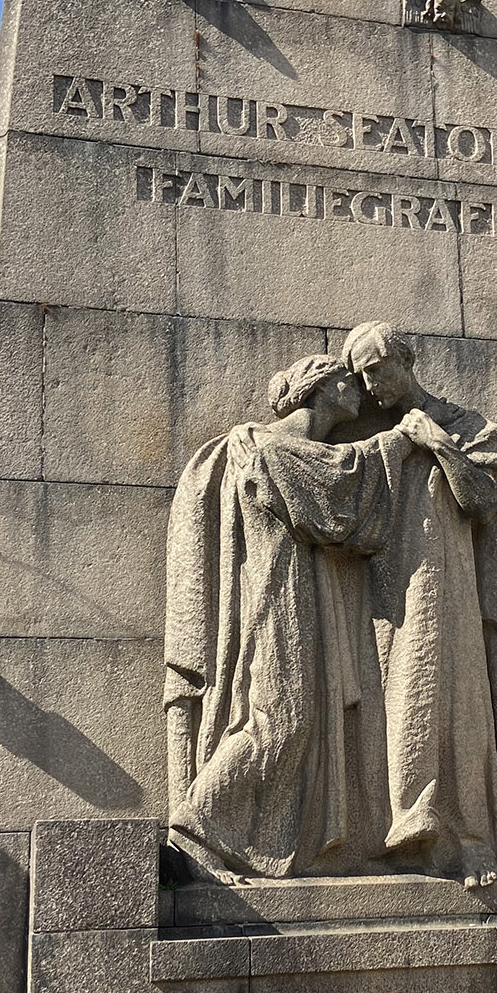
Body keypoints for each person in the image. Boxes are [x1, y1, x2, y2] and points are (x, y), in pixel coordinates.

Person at [163, 355, 416, 882]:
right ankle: (194, 831)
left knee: (291, 723)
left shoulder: (284, 447)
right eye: (349, 381)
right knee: (280, 721)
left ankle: (238, 839)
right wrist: (397, 443)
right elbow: (336, 498)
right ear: (319, 388)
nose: (360, 392)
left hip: (299, 596)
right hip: (273, 599)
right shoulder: (267, 444)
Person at [341, 322, 497, 887]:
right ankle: (406, 829)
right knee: (396, 705)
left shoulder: (469, 427)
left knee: (455, 706)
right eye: (361, 378)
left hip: (448, 588)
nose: (370, 388)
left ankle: (468, 839)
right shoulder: (377, 441)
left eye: (375, 372)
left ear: (403, 360)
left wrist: (437, 441)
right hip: (382, 594)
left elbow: (483, 503)